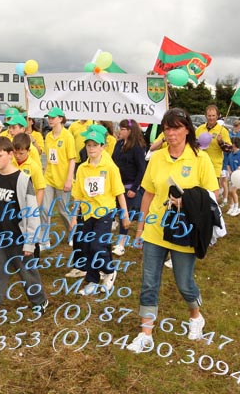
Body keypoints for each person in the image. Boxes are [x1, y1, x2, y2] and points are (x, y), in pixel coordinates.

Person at [126, 108, 217, 353]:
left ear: (187, 129)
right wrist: (140, 228)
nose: (171, 133)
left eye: (176, 127)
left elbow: (212, 195)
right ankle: (146, 333)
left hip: (184, 231)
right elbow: (148, 194)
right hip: (156, 229)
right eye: (167, 128)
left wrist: (186, 201)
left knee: (184, 283)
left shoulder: (200, 159)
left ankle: (196, 316)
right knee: (148, 282)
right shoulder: (157, 157)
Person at [0, 137, 48, 322]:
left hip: (19, 239)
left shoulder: (22, 180)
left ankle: (39, 301)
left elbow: (31, 213)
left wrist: (30, 242)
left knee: (27, 274)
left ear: (10, 154)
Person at [70, 126, 129, 295]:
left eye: (95, 145)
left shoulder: (110, 168)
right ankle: (93, 280)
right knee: (87, 247)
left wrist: (124, 215)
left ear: (102, 147)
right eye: (88, 145)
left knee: (97, 245)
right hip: (87, 213)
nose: (91, 149)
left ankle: (110, 271)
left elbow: (119, 192)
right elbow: (78, 195)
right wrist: (74, 217)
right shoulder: (82, 169)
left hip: (105, 213)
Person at [42, 107, 76, 252]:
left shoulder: (68, 136)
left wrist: (69, 180)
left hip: (63, 180)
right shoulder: (48, 136)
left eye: (53, 117)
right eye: (49, 117)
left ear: (60, 119)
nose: (50, 119)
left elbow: (72, 159)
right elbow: (49, 158)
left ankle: (73, 234)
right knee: (44, 209)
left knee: (63, 210)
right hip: (49, 178)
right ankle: (44, 239)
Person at [112, 119, 146, 256]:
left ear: (130, 131)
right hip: (117, 184)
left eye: (123, 129)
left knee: (124, 215)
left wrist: (135, 188)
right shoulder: (119, 144)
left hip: (130, 186)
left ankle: (121, 243)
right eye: (120, 128)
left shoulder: (137, 147)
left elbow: (141, 169)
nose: (121, 131)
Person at [195, 105, 231, 182]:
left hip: (214, 166)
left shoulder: (222, 130)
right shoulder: (199, 129)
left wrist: (221, 142)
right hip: (200, 164)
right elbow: (193, 145)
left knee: (212, 191)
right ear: (205, 116)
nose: (211, 118)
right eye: (209, 116)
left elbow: (229, 149)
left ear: (217, 116)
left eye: (213, 116)